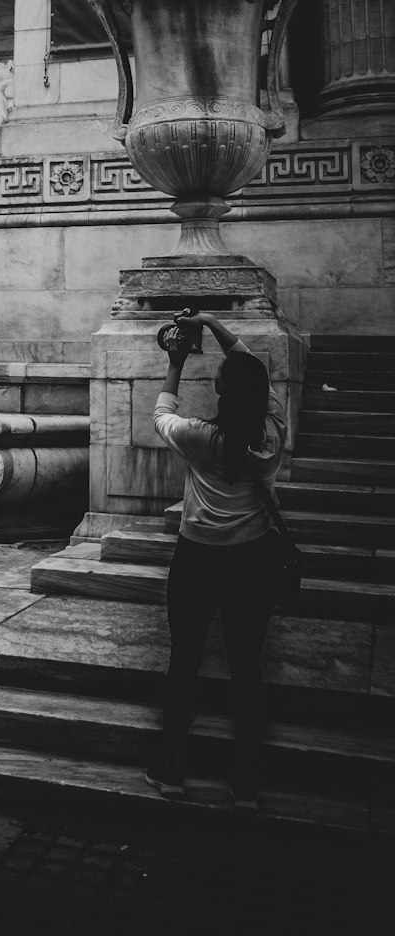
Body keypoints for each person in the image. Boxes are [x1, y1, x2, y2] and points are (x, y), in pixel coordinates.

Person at [145, 309, 286, 809]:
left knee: (185, 659)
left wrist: (177, 360)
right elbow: (251, 366)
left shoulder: (200, 437)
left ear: (223, 394)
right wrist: (212, 322)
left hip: (199, 558)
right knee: (247, 665)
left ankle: (172, 768)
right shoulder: (271, 435)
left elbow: (162, 412)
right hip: (253, 560)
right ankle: (246, 779)